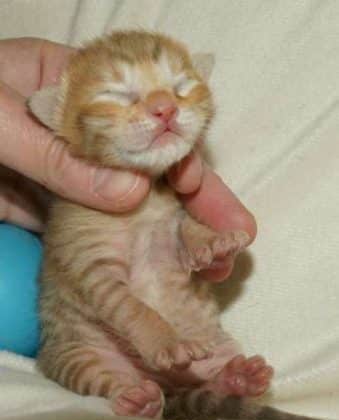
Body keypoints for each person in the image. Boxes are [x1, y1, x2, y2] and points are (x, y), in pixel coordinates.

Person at [0, 38, 257, 356]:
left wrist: (201, 243)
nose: (165, 107)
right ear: (57, 116)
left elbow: (175, 237)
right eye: (115, 95)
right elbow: (93, 285)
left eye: (181, 86)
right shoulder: (77, 211)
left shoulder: (165, 194)